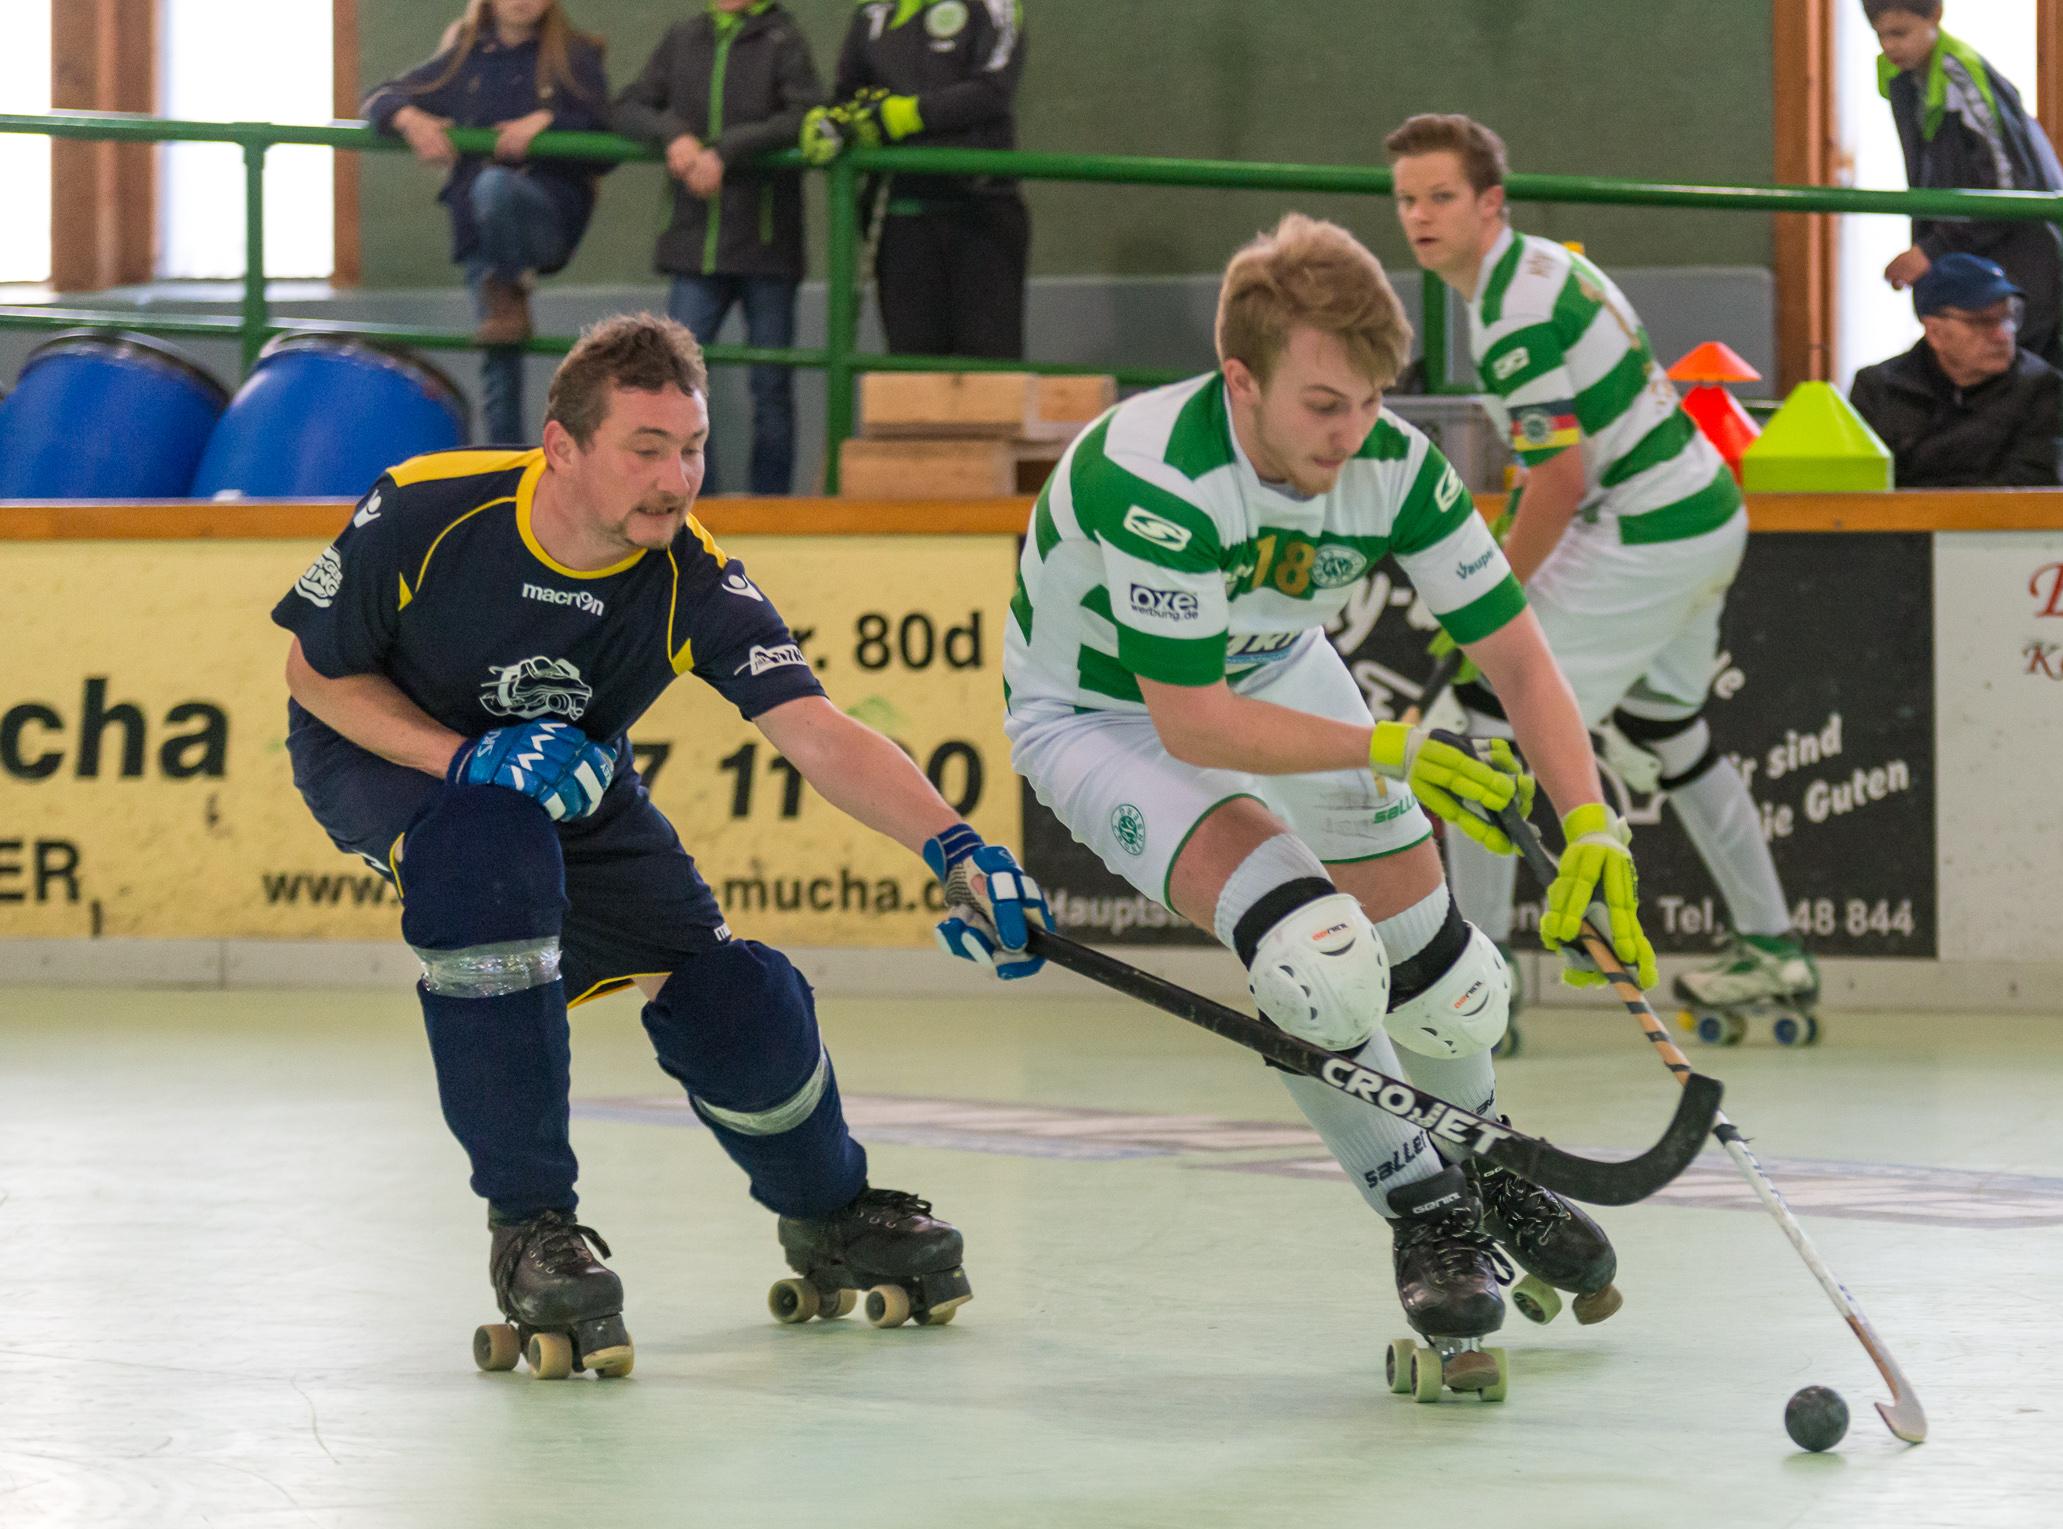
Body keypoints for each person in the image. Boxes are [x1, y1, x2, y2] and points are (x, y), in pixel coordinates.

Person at [269, 314, 1048, 1378]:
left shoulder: (690, 573)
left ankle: (829, 1212)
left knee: (734, 993)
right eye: (645, 449)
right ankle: (532, 1226)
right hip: (386, 753)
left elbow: (816, 730)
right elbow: (316, 676)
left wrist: (958, 846)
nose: (676, 479)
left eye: (691, 448)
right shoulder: (428, 508)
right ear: (562, 447)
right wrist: (463, 761)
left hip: (572, 782)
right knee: (487, 845)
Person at [1004, 211, 1654, 1396]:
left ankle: (1486, 1156)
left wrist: (1593, 821)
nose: (1350, 436)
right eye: (1321, 407)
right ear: (1240, 379)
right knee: (1318, 960)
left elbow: (1519, 659)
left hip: (1273, 666)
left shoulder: (1394, 465)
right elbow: (1193, 720)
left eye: (1369, 401)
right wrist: (1392, 744)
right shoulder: (1155, 474)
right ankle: (1423, 1206)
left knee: (1453, 982)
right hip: (1108, 715)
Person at [1385, 114, 1818, 1042]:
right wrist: (1494, 568)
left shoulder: (1510, 316)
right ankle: (1773, 946)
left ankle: (1480, 992)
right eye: (1407, 200)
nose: (1419, 216)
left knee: (1487, 713)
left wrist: (1482, 600)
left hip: (1650, 528)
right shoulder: (1541, 266)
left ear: (1489, 202)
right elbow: (1552, 471)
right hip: (1703, 510)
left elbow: (1562, 480)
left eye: (1441, 197)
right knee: (1671, 731)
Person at [362, 0, 612, 445]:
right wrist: (409, 118)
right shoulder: (465, 56)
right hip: (480, 230)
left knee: (493, 186)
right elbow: (380, 96)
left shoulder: (573, 56)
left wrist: (547, 124)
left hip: (543, 218)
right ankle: (505, 467)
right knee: (499, 366)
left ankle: (508, 285)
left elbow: (605, 129)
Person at [615, 0, 824, 495]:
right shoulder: (683, 37)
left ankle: (771, 502)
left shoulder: (784, 40)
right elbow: (627, 105)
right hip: (694, 245)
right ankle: (692, 500)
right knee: (673, 381)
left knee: (771, 385)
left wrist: (726, 152)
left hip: (766, 243)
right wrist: (674, 137)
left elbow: (805, 116)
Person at [1865, 0, 2063, 371]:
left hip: (2034, 265)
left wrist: (1931, 249)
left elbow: (2006, 187)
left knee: (2031, 386)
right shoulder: (1905, 79)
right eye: (1881, 36)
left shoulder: (1961, 76)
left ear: (1935, 17)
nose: (1890, 46)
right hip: (1988, 259)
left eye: (1900, 33)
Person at [802, 0, 1029, 358]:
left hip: (982, 211)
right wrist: (831, 123)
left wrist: (909, 115)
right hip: (900, 216)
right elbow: (849, 94)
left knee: (989, 368)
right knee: (912, 366)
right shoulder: (874, 14)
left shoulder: (994, 7)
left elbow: (993, 90)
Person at [1849, 253, 2063, 487]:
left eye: (2009, 317)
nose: (2003, 335)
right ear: (1935, 332)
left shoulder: (2037, 384)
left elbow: (2030, 486)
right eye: (1982, 322)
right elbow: (1866, 488)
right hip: (1903, 522)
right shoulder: (1878, 387)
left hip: (1994, 522)